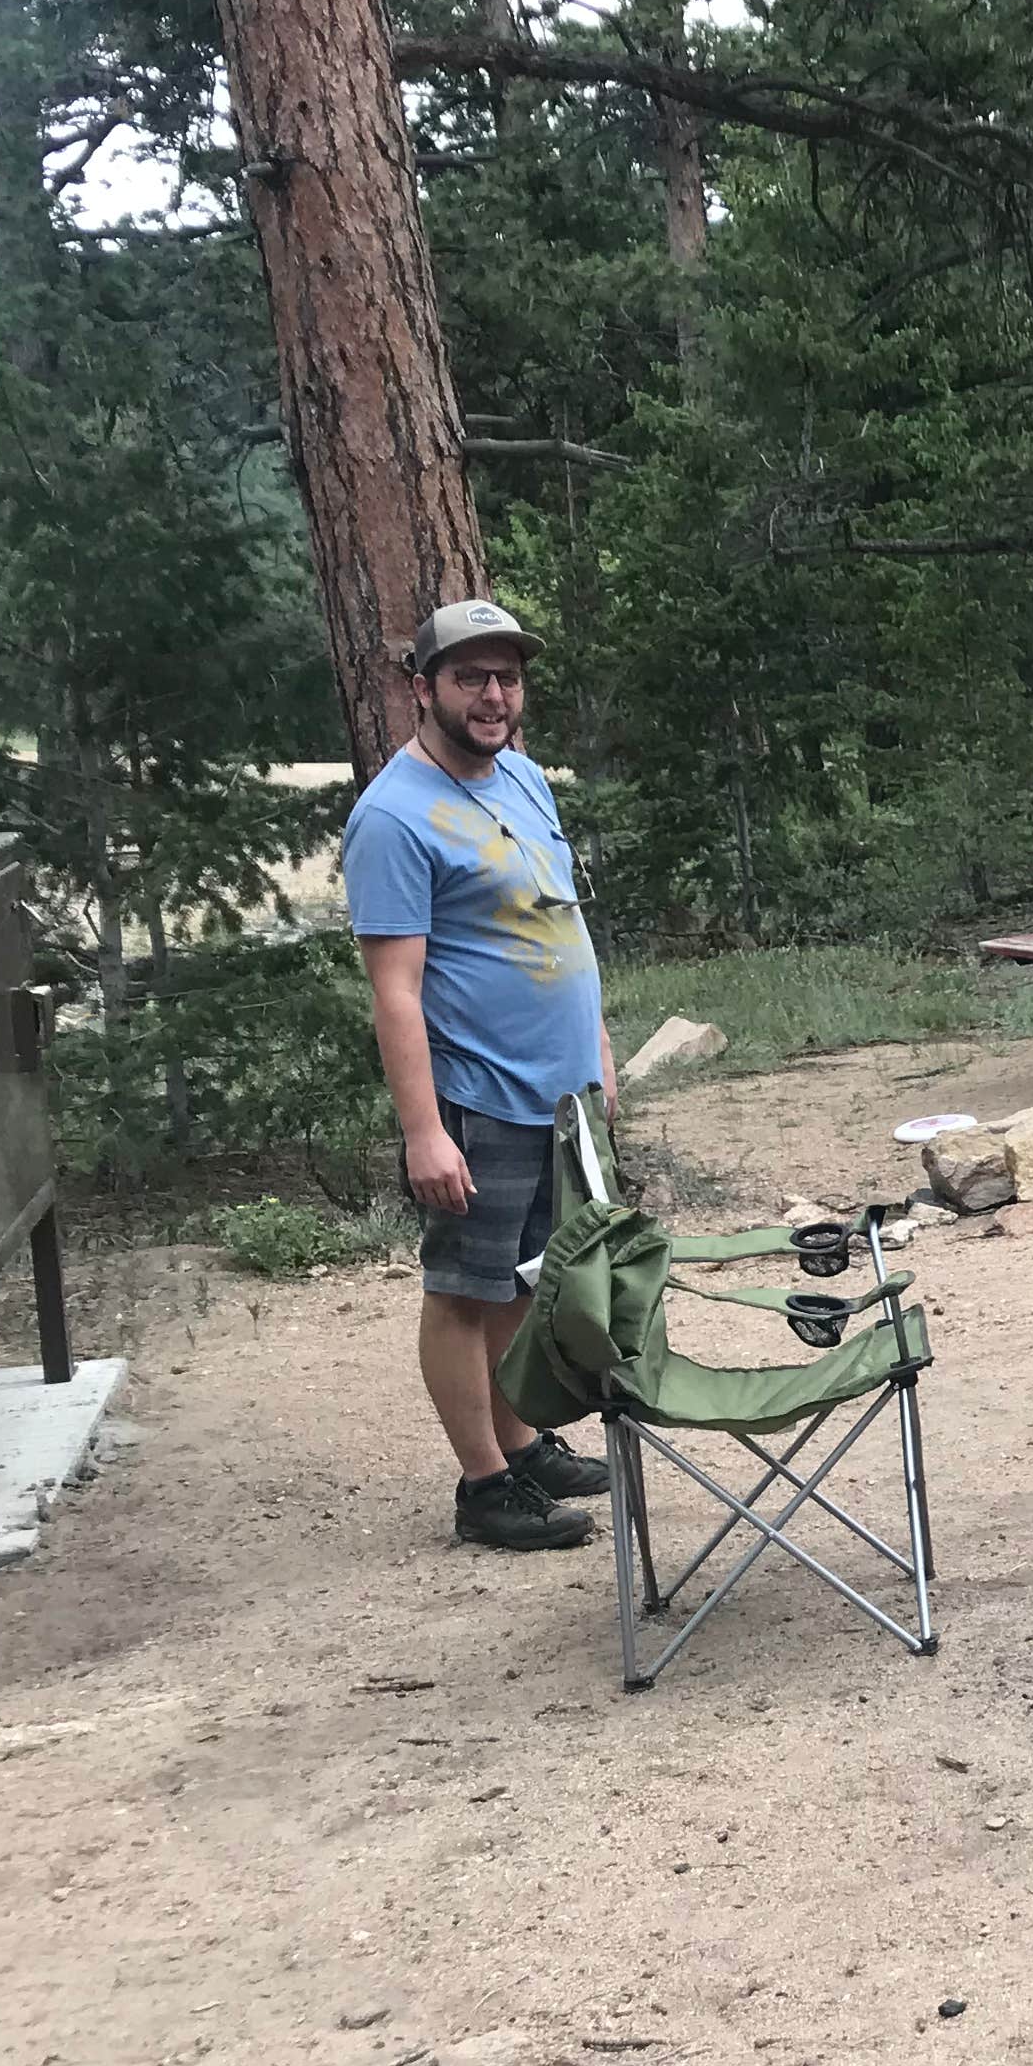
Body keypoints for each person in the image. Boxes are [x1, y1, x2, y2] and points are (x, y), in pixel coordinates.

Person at [344, 599, 617, 1552]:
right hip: (477, 1095)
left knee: (523, 1281)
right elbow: (395, 992)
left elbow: (561, 920)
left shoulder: (524, 779)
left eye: (507, 677)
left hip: (558, 1091)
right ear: (423, 689)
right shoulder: (392, 818)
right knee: (464, 1292)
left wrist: (597, 1047)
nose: (493, 696)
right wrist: (425, 1133)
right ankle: (484, 1485)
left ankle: (521, 1443)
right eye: (470, 678)